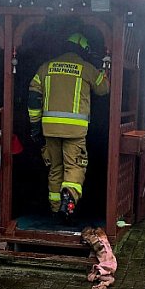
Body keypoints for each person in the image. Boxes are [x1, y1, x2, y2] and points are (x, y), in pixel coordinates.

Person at [28, 33, 110, 218]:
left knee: (55, 168)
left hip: (49, 129)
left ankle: (56, 211)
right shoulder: (86, 68)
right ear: (83, 50)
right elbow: (104, 89)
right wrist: (104, 70)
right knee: (74, 167)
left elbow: (33, 97)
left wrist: (35, 127)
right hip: (75, 131)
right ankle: (69, 199)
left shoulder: (46, 68)